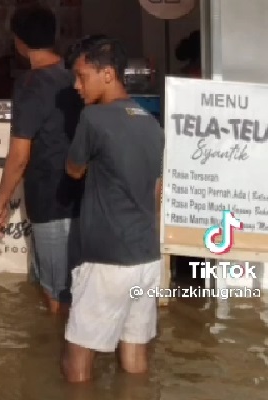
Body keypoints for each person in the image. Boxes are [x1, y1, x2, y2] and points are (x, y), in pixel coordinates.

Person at [61, 35, 165, 383]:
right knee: (134, 353)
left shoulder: (93, 118)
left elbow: (74, 169)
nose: (77, 86)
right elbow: (158, 190)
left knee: (78, 356)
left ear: (107, 74)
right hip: (147, 257)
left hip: (107, 258)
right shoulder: (151, 123)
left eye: (81, 76)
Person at [0, 5, 84, 315]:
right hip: (83, 197)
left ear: (19, 41)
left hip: (51, 197)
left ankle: (59, 358)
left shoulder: (31, 85)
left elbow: (19, 156)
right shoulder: (76, 75)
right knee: (79, 287)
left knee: (56, 295)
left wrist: (0, 203)